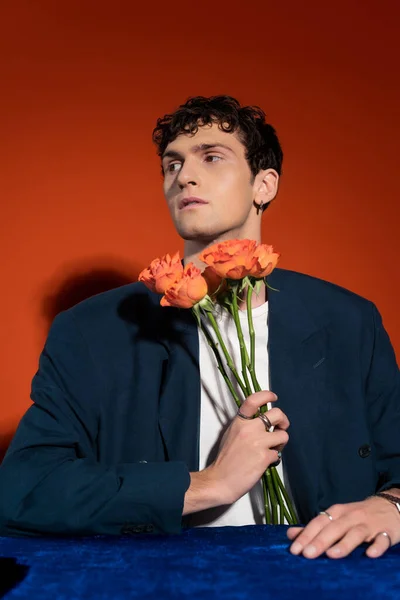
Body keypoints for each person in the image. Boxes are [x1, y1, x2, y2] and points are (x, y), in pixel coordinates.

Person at [0, 96, 399, 560]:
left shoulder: (349, 321)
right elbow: (22, 489)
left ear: (264, 185)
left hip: (323, 574)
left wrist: (392, 506)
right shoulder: (92, 331)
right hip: (160, 578)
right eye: (172, 165)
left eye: (212, 157)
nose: (183, 176)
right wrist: (207, 485)